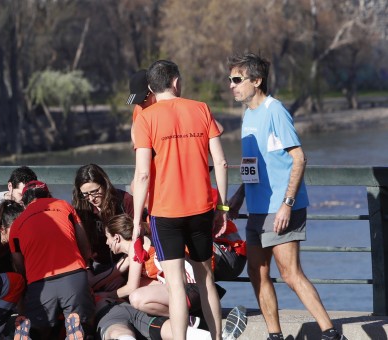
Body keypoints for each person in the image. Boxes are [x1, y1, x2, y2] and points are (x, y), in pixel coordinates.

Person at [226, 53, 347, 340]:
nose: (231, 85)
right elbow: (255, 165)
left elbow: (300, 158)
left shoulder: (275, 111)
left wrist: (286, 205)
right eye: (230, 80)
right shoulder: (248, 115)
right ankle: (275, 335)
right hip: (257, 209)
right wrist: (239, 196)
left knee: (290, 274)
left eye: (236, 79)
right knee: (257, 272)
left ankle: (331, 333)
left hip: (280, 208)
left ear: (256, 81)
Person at [132, 60, 229, 340]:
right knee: (205, 279)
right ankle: (217, 338)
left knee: (175, 286)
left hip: (165, 214)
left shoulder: (145, 119)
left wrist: (138, 219)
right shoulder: (201, 109)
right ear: (176, 82)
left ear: (151, 88)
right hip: (201, 209)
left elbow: (142, 175)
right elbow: (221, 163)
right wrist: (222, 208)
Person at [9, 180, 94, 339]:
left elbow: (19, 266)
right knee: (84, 326)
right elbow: (85, 247)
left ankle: (33, 333)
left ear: (24, 202)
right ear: (48, 194)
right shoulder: (64, 206)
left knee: (42, 331)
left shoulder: (16, 224)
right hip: (74, 276)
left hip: (39, 284)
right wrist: (86, 266)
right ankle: (76, 330)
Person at [72, 164, 134, 277]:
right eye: (85, 194)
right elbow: (79, 243)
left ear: (105, 184)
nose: (91, 199)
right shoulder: (81, 208)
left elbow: (137, 240)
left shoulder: (125, 201)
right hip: (96, 264)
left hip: (127, 262)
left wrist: (121, 274)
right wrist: (88, 269)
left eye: (95, 191)